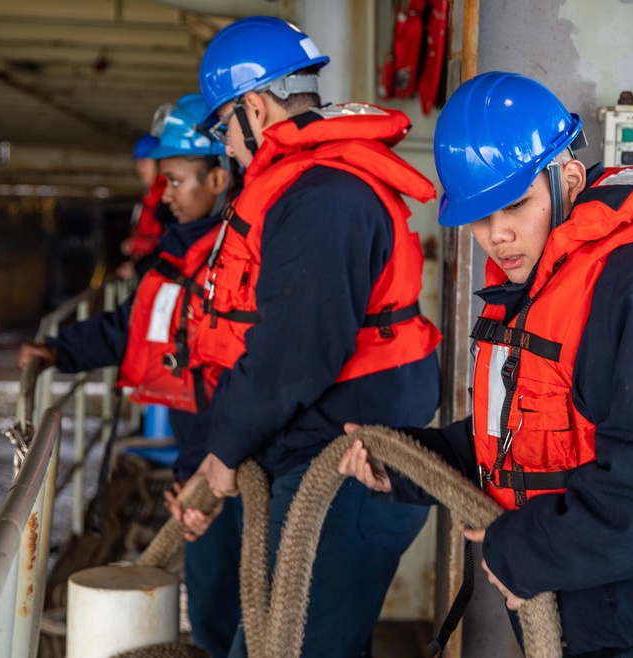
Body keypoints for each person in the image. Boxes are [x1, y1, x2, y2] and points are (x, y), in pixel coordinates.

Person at [338, 72, 633, 657]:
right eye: (480, 218)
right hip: (596, 603)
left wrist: (527, 552)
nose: (497, 235)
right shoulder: (539, 287)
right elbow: (520, 444)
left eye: (516, 205)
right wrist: (405, 462)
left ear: (568, 178)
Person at [171, 16, 444, 658]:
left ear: (254, 109)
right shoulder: (311, 186)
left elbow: (294, 355)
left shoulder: (325, 196)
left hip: (345, 467)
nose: (227, 150)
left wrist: (225, 449)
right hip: (321, 451)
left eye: (223, 130)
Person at [17, 95, 243, 658]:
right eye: (163, 181)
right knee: (215, 600)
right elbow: (131, 325)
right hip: (205, 451)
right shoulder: (179, 252)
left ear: (219, 177)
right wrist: (59, 350)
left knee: (256, 597)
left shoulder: (242, 257)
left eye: (175, 180)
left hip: (238, 453)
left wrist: (210, 463)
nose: (164, 193)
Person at [118, 132, 169, 278]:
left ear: (160, 162)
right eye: (138, 162)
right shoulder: (149, 197)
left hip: (161, 275)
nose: (139, 168)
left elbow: (169, 243)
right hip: (151, 274)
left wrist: (138, 267)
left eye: (145, 162)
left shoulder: (167, 197)